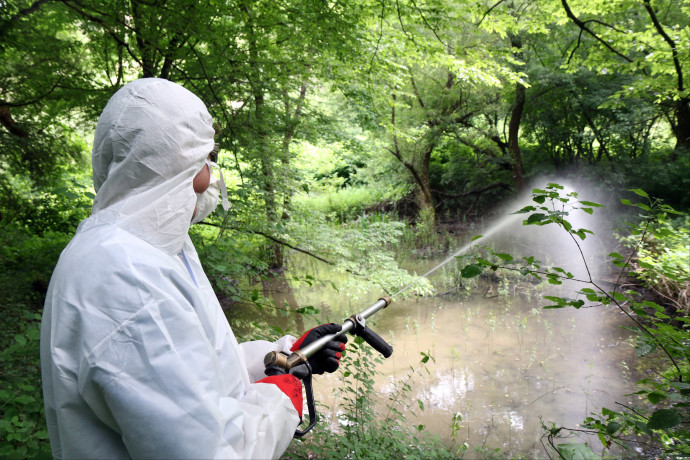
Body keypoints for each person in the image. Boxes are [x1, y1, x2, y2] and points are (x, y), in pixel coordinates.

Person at [40, 78, 347, 459]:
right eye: (204, 158)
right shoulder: (126, 277)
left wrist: (282, 354)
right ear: (175, 166)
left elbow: (203, 370)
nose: (212, 174)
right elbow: (210, 450)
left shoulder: (157, 249)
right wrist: (284, 395)